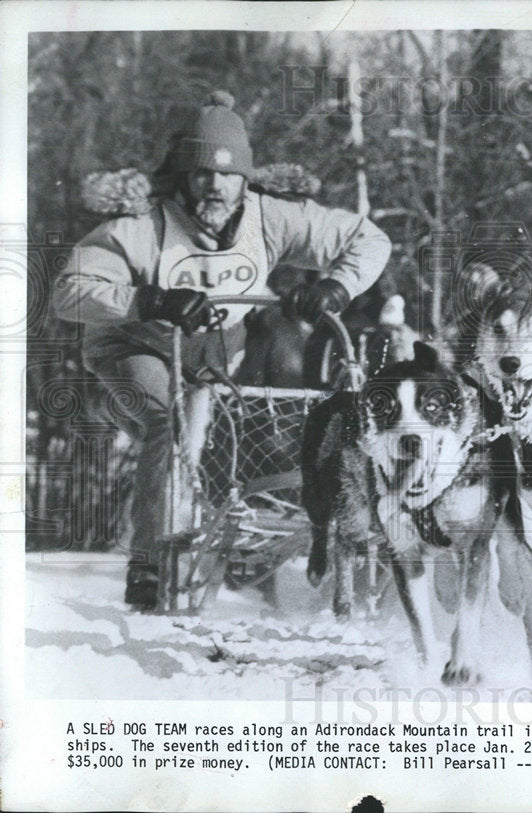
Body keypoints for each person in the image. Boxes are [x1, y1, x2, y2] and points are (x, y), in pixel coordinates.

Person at [52, 90, 391, 609]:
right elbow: (70, 292)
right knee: (168, 417)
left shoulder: (272, 217)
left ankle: (255, 524)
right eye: (202, 173)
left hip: (216, 349)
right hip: (134, 344)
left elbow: (369, 239)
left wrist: (335, 288)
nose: (215, 186)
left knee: (278, 384)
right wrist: (152, 297)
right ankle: (147, 564)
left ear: (245, 180)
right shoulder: (142, 226)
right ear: (183, 178)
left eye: (228, 175)